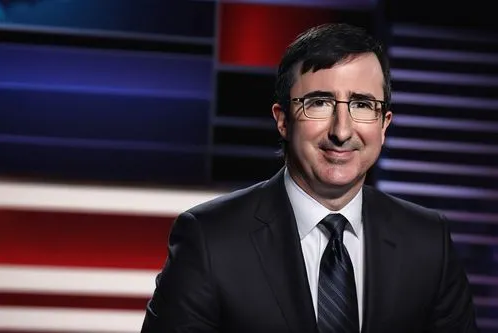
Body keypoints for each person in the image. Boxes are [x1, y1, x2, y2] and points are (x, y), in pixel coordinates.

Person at [141, 23, 478, 333]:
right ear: (283, 120)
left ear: (384, 124)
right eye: (319, 102)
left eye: (362, 105)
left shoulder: (429, 242)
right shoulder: (209, 239)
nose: (342, 131)